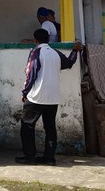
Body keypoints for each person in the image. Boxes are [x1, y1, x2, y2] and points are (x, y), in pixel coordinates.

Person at [15, 28, 83, 166]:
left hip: (37, 97)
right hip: (53, 97)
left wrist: (24, 92)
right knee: (50, 128)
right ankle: (49, 158)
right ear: (48, 39)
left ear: (35, 40)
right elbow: (69, 63)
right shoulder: (55, 53)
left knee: (27, 126)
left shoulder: (36, 52)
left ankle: (30, 156)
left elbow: (31, 74)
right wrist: (75, 51)